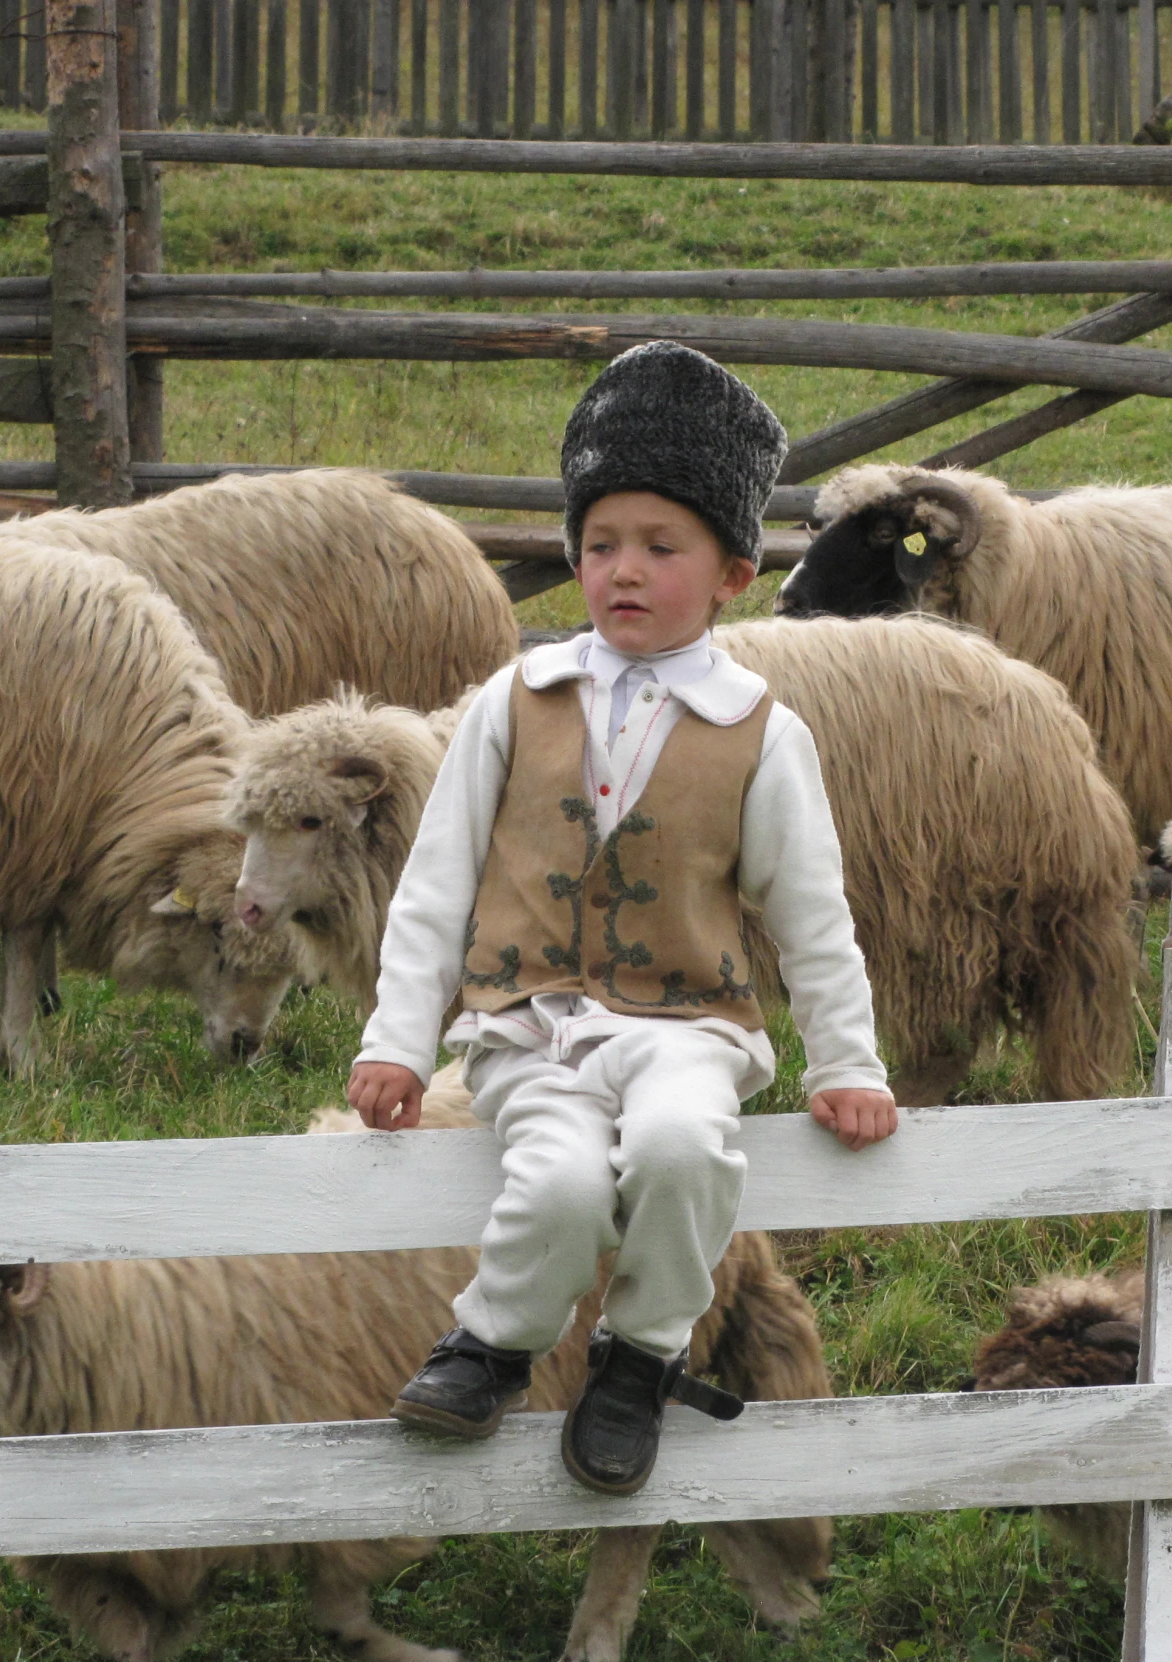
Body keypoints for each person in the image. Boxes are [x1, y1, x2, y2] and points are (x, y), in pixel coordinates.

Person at [346, 341, 897, 1496]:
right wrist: (396, 1041)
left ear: (733, 572)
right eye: (600, 544)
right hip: (528, 1022)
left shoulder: (761, 730)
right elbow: (434, 881)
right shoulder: (514, 698)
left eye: (660, 546)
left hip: (686, 1023)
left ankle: (638, 1359)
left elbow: (810, 913)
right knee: (550, 1183)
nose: (623, 571)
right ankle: (491, 1345)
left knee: (681, 1148)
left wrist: (845, 1061)